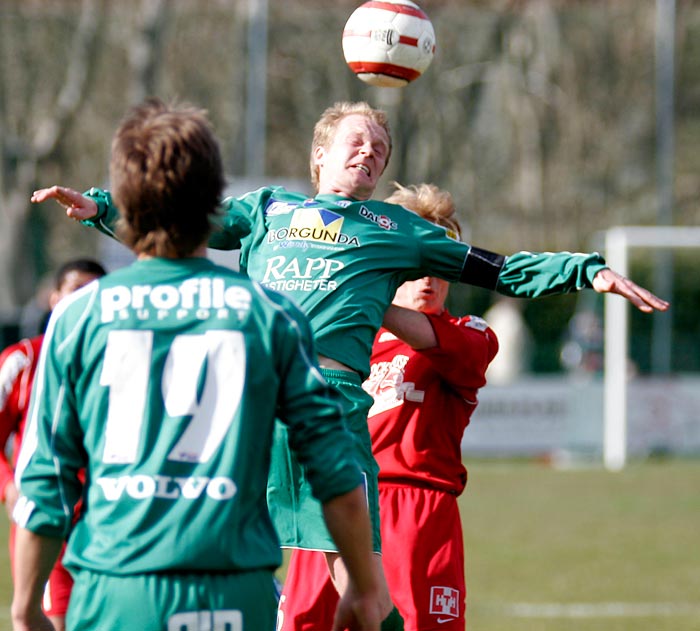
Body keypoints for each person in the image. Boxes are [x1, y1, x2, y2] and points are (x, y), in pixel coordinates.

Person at [31, 100, 669, 630]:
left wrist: (587, 270)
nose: (370, 154)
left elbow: (497, 269)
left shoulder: (394, 228)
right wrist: (104, 210)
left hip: (328, 404)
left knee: (358, 579)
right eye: (358, 141)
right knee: (203, 548)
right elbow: (184, 226)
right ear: (320, 156)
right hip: (246, 397)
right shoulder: (268, 211)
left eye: (381, 151)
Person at [13, 98, 383, 631]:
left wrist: (25, 608)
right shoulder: (271, 315)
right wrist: (365, 587)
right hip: (232, 592)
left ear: (127, 203)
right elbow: (335, 469)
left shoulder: (79, 316)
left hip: (114, 590)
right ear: (214, 201)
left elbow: (45, 483)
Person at [280, 183, 499, 630]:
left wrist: (365, 293)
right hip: (329, 501)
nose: (429, 278)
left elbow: (462, 354)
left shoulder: (469, 334)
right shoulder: (341, 339)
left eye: (441, 266)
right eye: (417, 265)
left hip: (414, 513)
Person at [0, 258, 107, 631]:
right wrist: (9, 484)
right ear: (54, 298)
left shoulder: (125, 360)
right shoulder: (21, 361)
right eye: (77, 292)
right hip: (52, 518)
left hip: (112, 519)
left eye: (95, 294)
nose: (85, 302)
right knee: (51, 621)